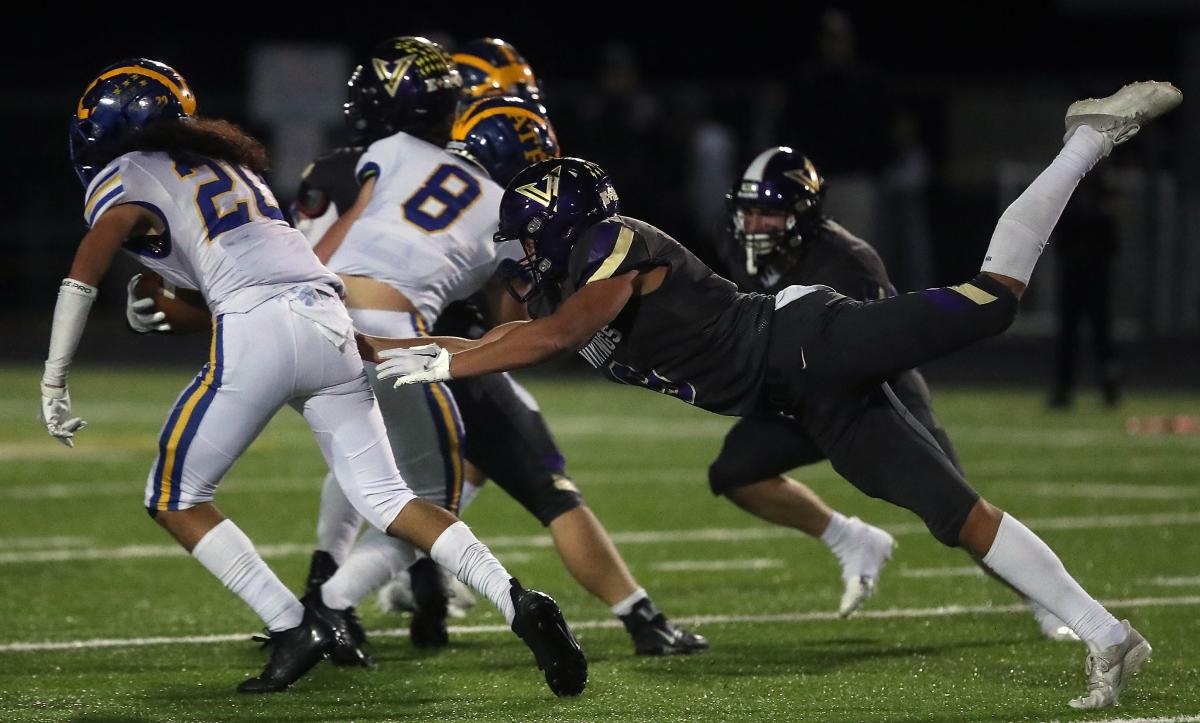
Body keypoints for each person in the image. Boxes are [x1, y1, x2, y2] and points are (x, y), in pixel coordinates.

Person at [374, 82, 1181, 710]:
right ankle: (1109, 634)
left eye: (524, 237)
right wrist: (399, 349)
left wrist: (451, 366)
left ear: (558, 224)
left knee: (994, 298)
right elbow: (501, 339)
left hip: (808, 343)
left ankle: (1086, 138)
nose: (518, 256)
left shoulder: (616, 244)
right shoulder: (565, 289)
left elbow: (545, 339)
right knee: (955, 515)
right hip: (802, 398)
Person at [44, 57, 587, 697]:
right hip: (328, 321)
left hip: (259, 327)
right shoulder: (236, 168)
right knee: (390, 499)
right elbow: (251, 275)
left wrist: (54, 380)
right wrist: (172, 304)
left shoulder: (126, 174)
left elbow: (84, 272)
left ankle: (294, 626)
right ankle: (518, 598)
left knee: (173, 497)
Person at [296, 35, 705, 656]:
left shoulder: (398, 155)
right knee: (511, 486)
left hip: (328, 313)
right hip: (432, 346)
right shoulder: (506, 208)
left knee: (382, 463)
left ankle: (386, 592)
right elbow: (516, 319)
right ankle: (327, 608)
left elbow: (339, 240)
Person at [711, 145, 1077, 637]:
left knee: (956, 510)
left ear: (801, 215)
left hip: (877, 393)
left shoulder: (848, 262)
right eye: (748, 212)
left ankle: (1047, 603)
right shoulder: (737, 245)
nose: (753, 225)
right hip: (799, 395)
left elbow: (873, 351)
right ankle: (850, 539)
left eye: (768, 215)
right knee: (734, 472)